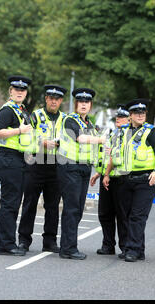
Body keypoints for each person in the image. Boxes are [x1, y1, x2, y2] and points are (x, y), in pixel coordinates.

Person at [103, 98, 155, 262]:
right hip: (125, 179)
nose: (140, 115)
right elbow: (114, 155)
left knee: (137, 216)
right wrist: (107, 174)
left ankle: (132, 249)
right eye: (137, 113)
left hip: (146, 180)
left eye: (143, 112)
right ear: (130, 115)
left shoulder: (151, 131)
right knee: (127, 216)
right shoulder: (123, 133)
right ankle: (138, 249)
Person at [56, 88, 105, 260]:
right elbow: (80, 139)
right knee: (72, 208)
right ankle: (68, 248)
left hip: (84, 169)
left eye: (87, 102)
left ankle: (67, 245)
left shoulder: (90, 124)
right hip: (70, 167)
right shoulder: (70, 120)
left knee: (77, 210)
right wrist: (101, 139)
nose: (84, 105)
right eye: (80, 102)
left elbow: (95, 148)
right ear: (76, 104)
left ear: (90, 105)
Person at [17, 85, 67, 254]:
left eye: (57, 99)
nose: (54, 101)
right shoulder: (36, 116)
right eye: (51, 98)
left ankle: (50, 241)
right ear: (46, 99)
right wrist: (42, 142)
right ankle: (24, 240)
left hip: (57, 164)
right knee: (30, 203)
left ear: (61, 101)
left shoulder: (66, 119)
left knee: (53, 205)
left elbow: (70, 140)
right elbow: (25, 137)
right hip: (36, 162)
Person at [0, 75, 36, 256]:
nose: (19, 92)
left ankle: (8, 242)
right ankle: (5, 245)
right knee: (10, 203)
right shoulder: (8, 110)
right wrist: (20, 130)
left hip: (19, 160)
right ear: (10, 91)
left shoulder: (22, 110)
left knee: (14, 202)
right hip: (9, 159)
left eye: (22, 90)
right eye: (16, 90)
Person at [90, 104, 130, 256]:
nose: (118, 119)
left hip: (121, 178)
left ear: (129, 118)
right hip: (107, 177)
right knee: (105, 213)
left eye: (122, 117)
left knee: (122, 214)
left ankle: (126, 246)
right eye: (117, 117)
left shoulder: (130, 135)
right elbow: (107, 157)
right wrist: (99, 174)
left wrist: (106, 174)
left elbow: (118, 157)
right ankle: (108, 245)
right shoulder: (113, 134)